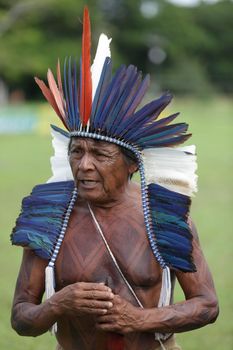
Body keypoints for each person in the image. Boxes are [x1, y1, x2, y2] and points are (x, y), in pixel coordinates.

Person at [11, 7, 218, 350]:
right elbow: (20, 318)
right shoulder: (48, 219)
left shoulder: (164, 217)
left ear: (132, 164)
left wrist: (139, 319)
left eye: (100, 154)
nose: (84, 165)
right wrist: (58, 304)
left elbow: (207, 304)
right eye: (76, 152)